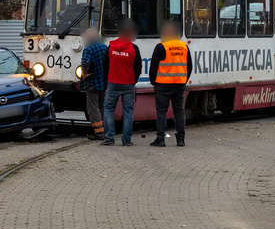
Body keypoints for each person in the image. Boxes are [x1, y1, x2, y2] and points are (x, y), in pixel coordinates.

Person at [149, 20, 192, 147]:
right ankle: (181, 140)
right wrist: (184, 79)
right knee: (179, 111)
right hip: (179, 84)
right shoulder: (184, 46)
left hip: (163, 84)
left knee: (161, 112)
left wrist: (153, 82)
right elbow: (189, 66)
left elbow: (153, 67)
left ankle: (161, 139)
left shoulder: (161, 46)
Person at [101, 19, 141, 147]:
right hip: (128, 83)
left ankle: (109, 137)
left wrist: (109, 76)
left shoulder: (111, 47)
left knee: (108, 109)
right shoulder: (133, 48)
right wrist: (133, 80)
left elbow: (105, 64)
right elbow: (138, 67)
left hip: (113, 82)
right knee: (128, 111)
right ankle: (127, 140)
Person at [80, 28, 107, 141]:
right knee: (102, 107)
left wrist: (84, 74)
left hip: (92, 83)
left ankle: (99, 132)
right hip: (104, 82)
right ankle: (105, 130)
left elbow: (85, 63)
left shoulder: (88, 49)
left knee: (93, 108)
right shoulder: (104, 47)